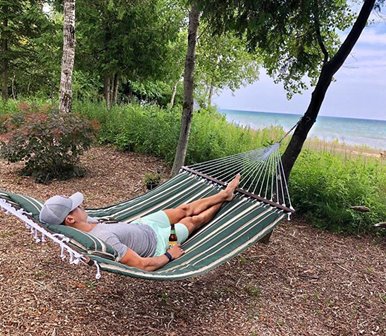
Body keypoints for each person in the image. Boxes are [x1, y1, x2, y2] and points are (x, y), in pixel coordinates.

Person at [39, 174, 241, 272]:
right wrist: (170, 254)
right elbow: (144, 265)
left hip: (143, 224)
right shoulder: (104, 240)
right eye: (78, 206)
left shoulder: (84, 223)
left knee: (183, 210)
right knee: (192, 220)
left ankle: (224, 194)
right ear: (70, 219)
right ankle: (224, 202)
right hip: (161, 242)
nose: (83, 205)